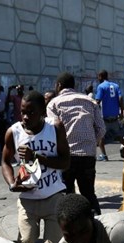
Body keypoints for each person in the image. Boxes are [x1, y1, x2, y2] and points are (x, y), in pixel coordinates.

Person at [2, 90, 71, 243]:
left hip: (53, 197)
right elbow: (4, 161)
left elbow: (65, 162)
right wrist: (12, 181)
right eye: (22, 112)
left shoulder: (55, 128)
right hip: (27, 199)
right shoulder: (13, 132)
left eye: (31, 112)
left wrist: (38, 158)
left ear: (43, 111)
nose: (25, 117)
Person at [48, 71, 105, 217]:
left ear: (59, 85)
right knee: (88, 193)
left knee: (66, 195)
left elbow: (53, 130)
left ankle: (69, 227)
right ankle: (98, 224)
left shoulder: (54, 103)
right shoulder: (90, 101)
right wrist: (91, 142)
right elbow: (101, 129)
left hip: (66, 156)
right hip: (88, 155)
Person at [94, 69, 124, 161]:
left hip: (105, 118)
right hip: (114, 117)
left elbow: (97, 101)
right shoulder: (115, 85)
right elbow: (120, 98)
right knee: (118, 136)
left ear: (100, 76)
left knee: (101, 136)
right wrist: (121, 112)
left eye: (98, 76)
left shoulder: (101, 86)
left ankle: (104, 156)